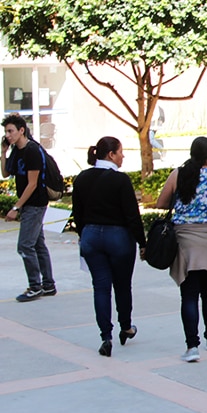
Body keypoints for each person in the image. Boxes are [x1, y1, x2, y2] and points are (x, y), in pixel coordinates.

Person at [156, 137, 207, 363]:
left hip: (185, 240)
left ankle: (192, 346)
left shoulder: (178, 174)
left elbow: (161, 203)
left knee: (189, 295)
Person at [72, 136, 146, 357]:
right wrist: (142, 243)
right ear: (111, 154)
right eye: (121, 152)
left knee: (101, 287)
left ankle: (106, 336)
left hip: (91, 236)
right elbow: (132, 215)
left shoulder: (82, 178)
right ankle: (126, 326)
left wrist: (83, 235)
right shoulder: (121, 180)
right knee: (122, 285)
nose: (123, 156)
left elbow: (77, 213)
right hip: (118, 237)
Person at [2, 113, 55, 302]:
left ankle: (35, 286)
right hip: (28, 204)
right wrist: (4, 152)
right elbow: (6, 172)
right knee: (37, 244)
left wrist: (15, 208)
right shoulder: (16, 150)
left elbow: (32, 184)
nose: (8, 135)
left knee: (25, 246)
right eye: (6, 132)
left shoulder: (32, 150)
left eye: (11, 131)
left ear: (21, 130)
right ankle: (48, 285)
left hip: (35, 203)